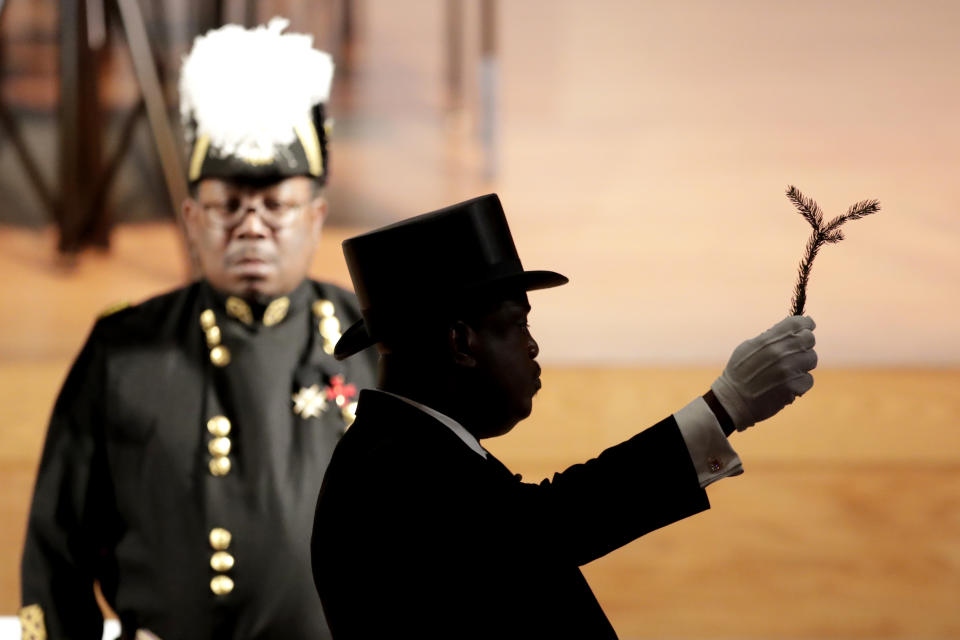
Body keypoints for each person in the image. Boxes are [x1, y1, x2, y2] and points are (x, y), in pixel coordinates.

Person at [311, 193, 818, 639]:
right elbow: (548, 527)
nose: (532, 345)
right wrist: (724, 406)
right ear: (461, 341)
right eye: (516, 324)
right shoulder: (392, 467)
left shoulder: (410, 449)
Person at [20, 18, 377, 639]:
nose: (252, 226)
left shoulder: (376, 343)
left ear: (317, 216)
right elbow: (55, 557)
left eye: (276, 205)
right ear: (190, 216)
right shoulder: (125, 351)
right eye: (228, 205)